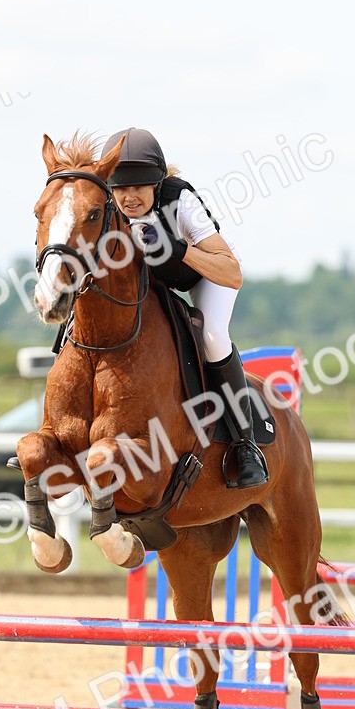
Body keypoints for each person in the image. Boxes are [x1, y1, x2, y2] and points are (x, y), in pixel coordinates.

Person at [101, 127, 267, 489]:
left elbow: (231, 272)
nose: (128, 198)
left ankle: (246, 446)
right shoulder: (106, 209)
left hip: (204, 278)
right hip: (155, 287)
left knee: (212, 335)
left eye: (138, 188)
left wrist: (178, 250)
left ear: (157, 184)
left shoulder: (181, 200)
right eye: (120, 188)